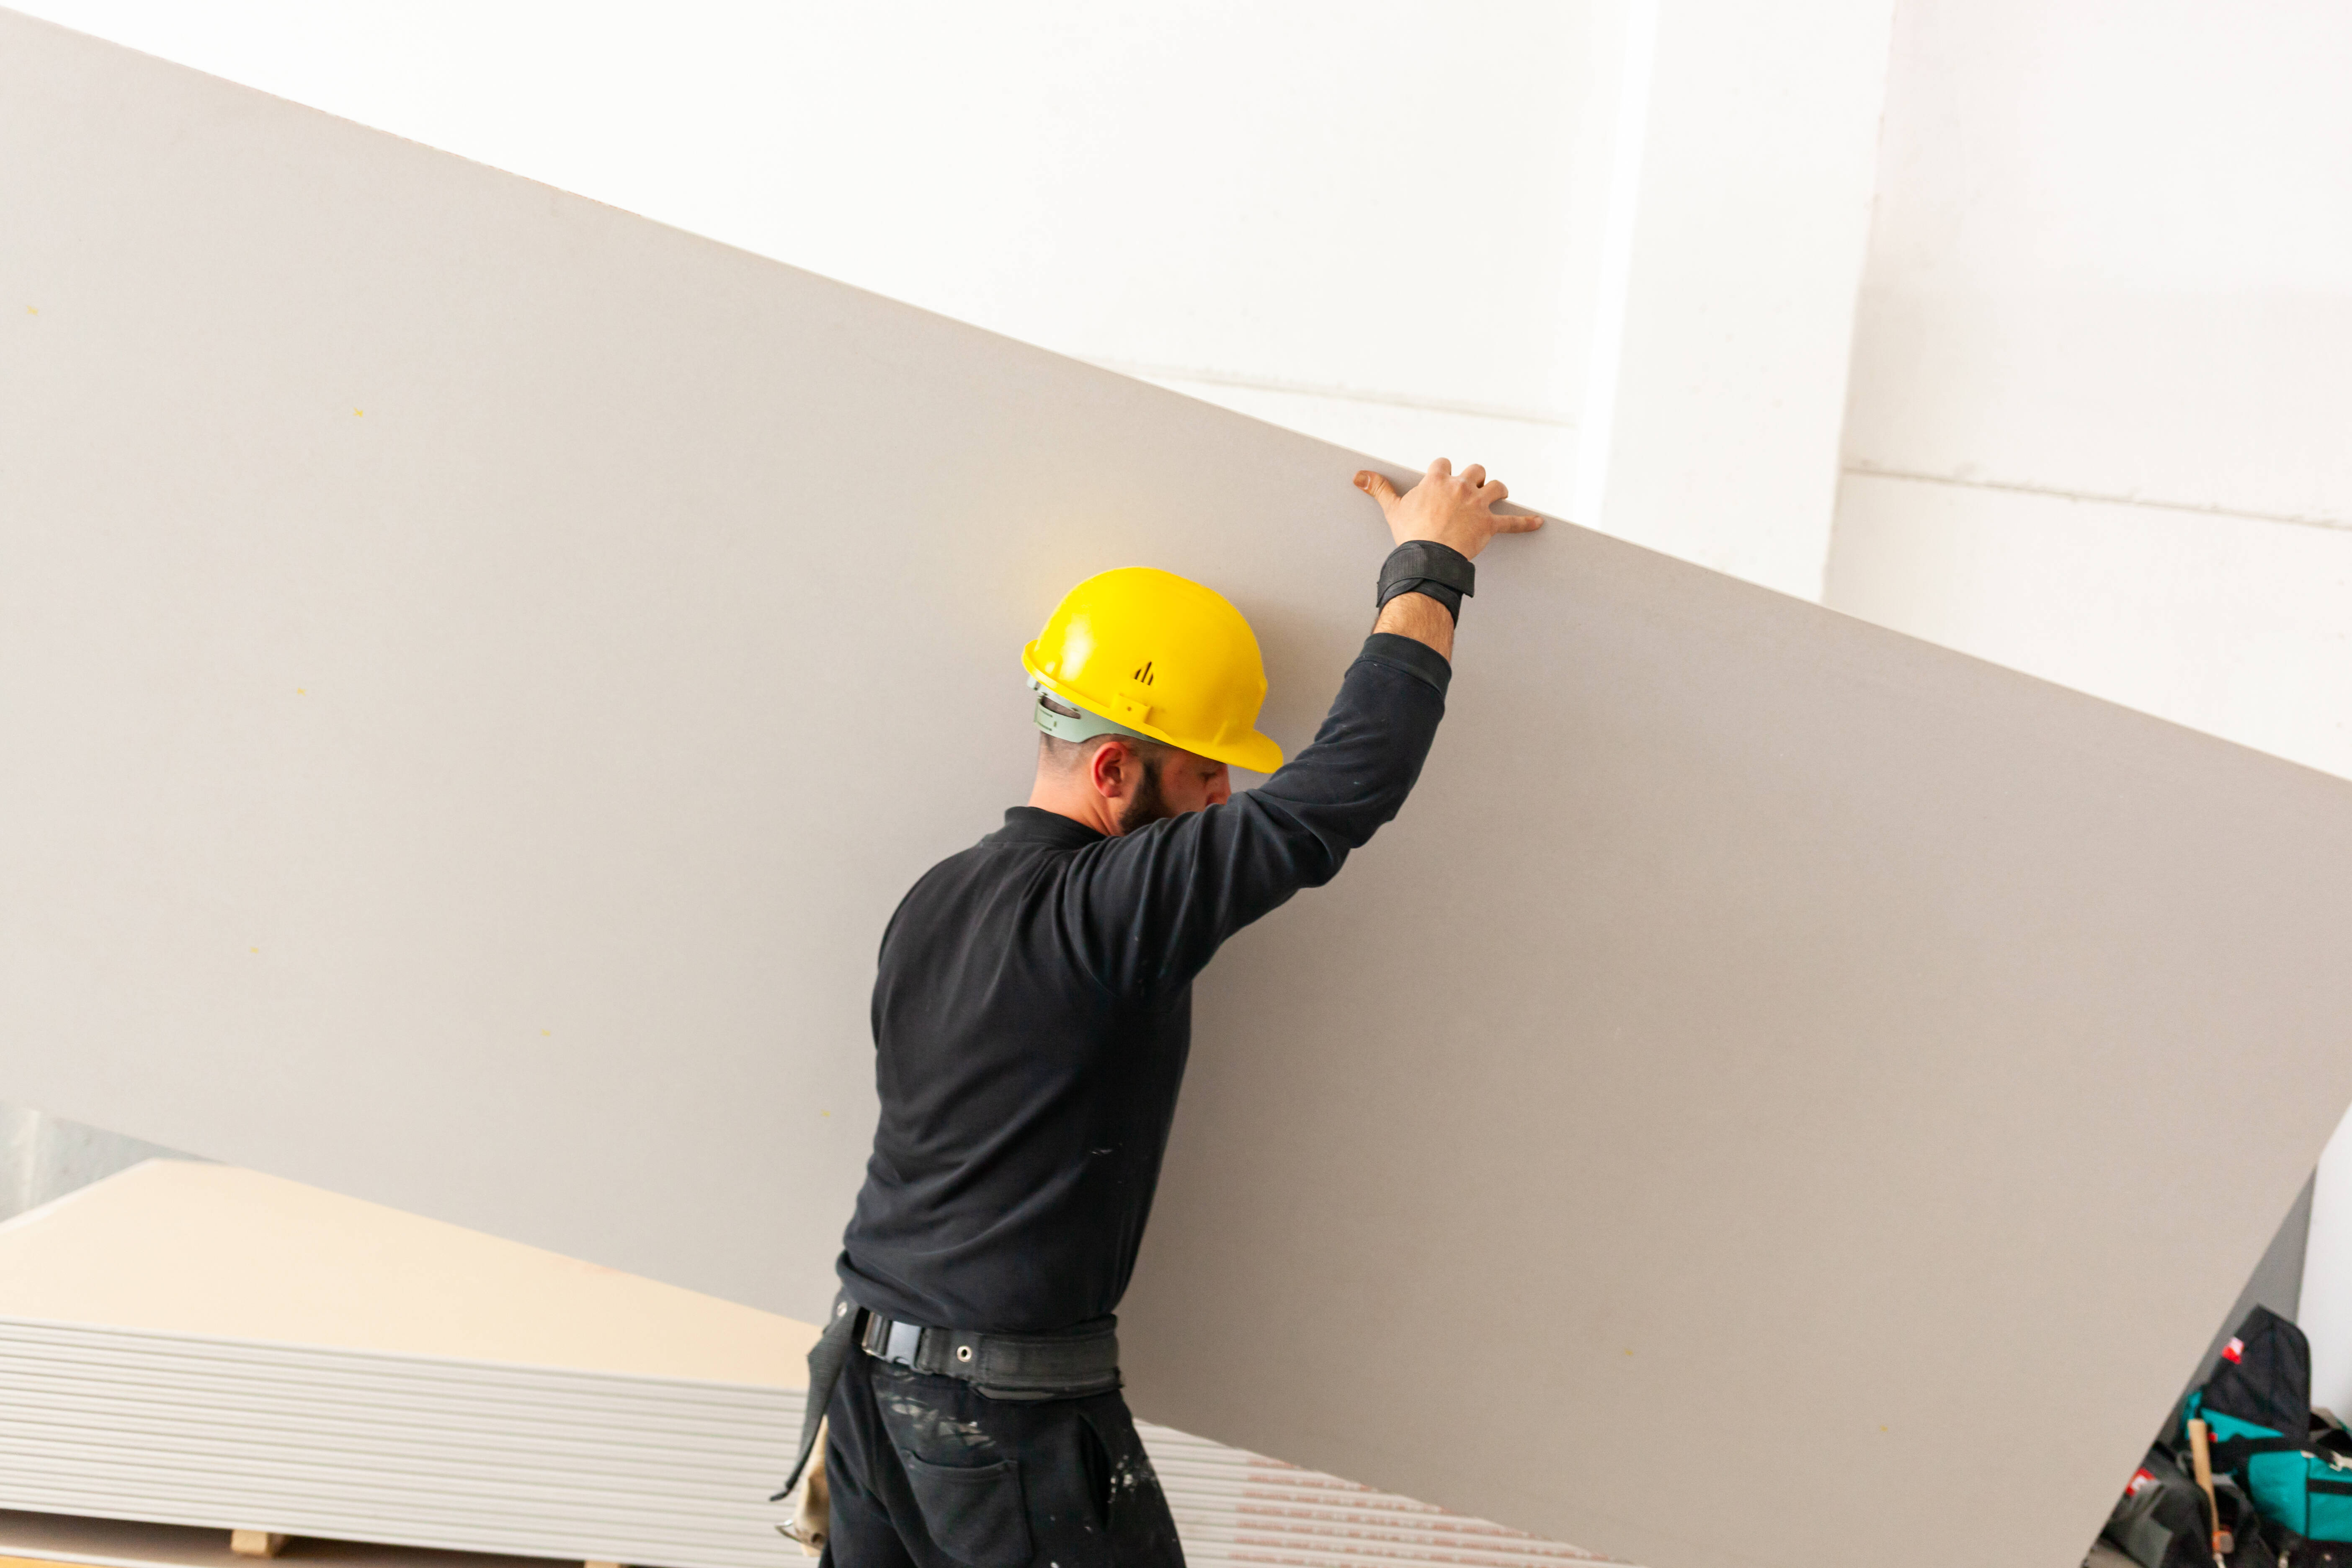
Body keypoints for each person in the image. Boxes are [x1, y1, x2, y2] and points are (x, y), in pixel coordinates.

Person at [785, 459, 1540, 1566]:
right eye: (1202, 775)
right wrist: (1433, 561)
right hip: (991, 1419)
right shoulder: (1108, 909)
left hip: (868, 1385)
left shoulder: (935, 898)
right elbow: (1349, 781)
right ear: (1112, 768)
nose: (1224, 798)